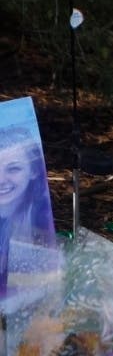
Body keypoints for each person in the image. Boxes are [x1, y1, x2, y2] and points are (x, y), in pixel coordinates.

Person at [0, 126, 57, 299]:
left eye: (14, 169)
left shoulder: (39, 222)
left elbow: (31, 299)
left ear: (33, 171)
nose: (1, 180)